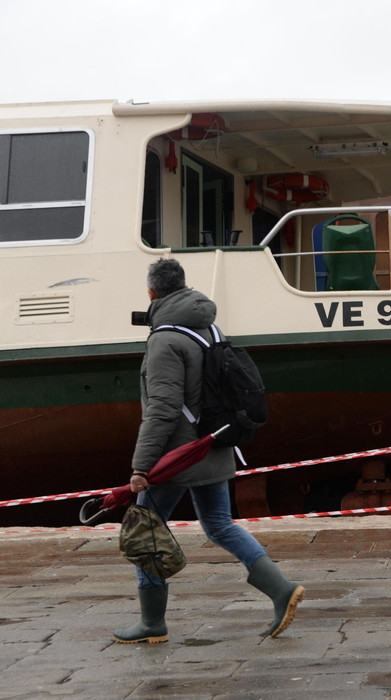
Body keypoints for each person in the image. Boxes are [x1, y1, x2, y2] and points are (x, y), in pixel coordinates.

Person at [113, 258, 304, 644]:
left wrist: (141, 466)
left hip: (176, 457)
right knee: (219, 524)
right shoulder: (208, 328)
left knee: (145, 530)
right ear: (183, 286)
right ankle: (281, 589)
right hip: (213, 445)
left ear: (151, 293)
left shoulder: (165, 339)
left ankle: (152, 624)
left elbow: (164, 409)